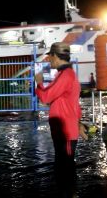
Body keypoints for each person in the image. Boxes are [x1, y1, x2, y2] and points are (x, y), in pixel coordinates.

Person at [35, 42, 87, 198]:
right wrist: (79, 123)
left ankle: (72, 194)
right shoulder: (66, 74)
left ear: (56, 56)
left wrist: (38, 83)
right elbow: (74, 103)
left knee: (66, 167)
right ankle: (69, 192)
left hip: (66, 131)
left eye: (50, 56)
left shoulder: (66, 75)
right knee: (63, 166)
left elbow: (45, 97)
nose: (49, 60)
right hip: (64, 129)